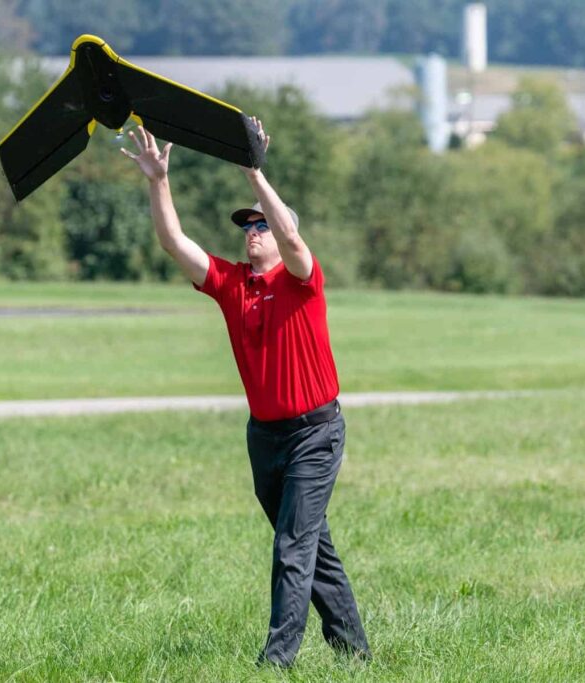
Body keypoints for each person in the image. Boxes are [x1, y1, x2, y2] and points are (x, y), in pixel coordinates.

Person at [121, 120, 371, 668]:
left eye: (261, 224)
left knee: (291, 549)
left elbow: (294, 240)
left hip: (315, 434)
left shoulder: (302, 280)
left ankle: (276, 663)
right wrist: (158, 181)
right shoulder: (234, 285)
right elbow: (173, 241)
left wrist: (253, 172)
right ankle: (356, 655)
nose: (252, 231)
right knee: (312, 548)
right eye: (247, 227)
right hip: (265, 438)